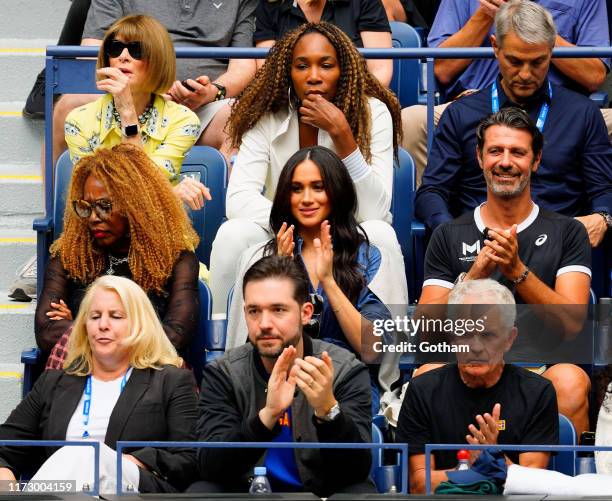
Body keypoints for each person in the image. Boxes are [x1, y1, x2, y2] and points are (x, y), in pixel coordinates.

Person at [210, 22, 408, 317]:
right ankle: (224, 339)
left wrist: (344, 137)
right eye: (302, 66)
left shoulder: (373, 112)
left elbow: (375, 211)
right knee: (233, 233)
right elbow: (238, 198)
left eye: (326, 65)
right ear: (288, 72)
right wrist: (300, 223)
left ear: (343, 70)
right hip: (283, 229)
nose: (314, 76)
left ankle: (392, 344)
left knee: (380, 233)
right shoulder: (265, 114)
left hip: (346, 231)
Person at [418, 108, 592, 437]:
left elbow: (572, 325)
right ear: (479, 157)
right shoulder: (449, 234)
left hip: (538, 373)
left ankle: (566, 487)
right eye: (496, 151)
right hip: (466, 373)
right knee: (425, 373)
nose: (506, 162)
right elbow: (426, 331)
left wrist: (517, 272)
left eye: (518, 152)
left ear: (536, 160)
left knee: (570, 381)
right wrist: (473, 276)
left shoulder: (568, 232)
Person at [414, 0, 612, 249]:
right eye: (515, 62)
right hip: (481, 244)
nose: (526, 74)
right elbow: (432, 191)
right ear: (495, 47)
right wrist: (449, 234)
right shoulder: (461, 114)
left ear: (551, 50)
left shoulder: (582, 114)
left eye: (537, 62)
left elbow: (603, 189)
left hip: (557, 247)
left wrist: (602, 217)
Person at [225, 146, 397, 405]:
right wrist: (279, 276)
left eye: (318, 187)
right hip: (274, 386)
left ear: (336, 192)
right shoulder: (260, 257)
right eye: (296, 188)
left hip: (346, 386)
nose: (306, 198)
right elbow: (251, 348)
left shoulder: (371, 257)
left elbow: (373, 349)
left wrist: (328, 281)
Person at [192, 255, 374, 496]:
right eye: (254, 311)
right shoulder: (224, 373)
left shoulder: (344, 370)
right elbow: (210, 467)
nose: (264, 323)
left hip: (321, 495)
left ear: (306, 313)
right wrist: (267, 417)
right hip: (245, 495)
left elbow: (356, 472)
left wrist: (328, 412)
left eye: (278, 310)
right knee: (201, 490)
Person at [0, 275, 198, 494]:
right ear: (84, 326)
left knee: (87, 454)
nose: (103, 325)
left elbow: (190, 458)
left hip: (136, 494)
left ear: (139, 325)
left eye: (116, 316)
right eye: (95, 317)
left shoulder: (172, 381)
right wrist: (7, 488)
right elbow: (4, 447)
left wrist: (135, 461)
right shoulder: (52, 382)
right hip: (66, 493)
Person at [402, 0, 612, 181]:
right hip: (473, 102)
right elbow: (441, 69)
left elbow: (593, 76)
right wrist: (486, 14)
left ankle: (597, 217)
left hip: (558, 107)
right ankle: (429, 219)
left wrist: (535, 32)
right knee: (411, 120)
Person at [35, 145, 200, 366]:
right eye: (86, 207)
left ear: (136, 207)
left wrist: (79, 325)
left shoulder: (177, 260)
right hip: (83, 376)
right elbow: (46, 333)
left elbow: (175, 336)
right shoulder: (70, 256)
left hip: (147, 378)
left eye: (104, 206)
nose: (93, 217)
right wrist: (138, 330)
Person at [396, 279, 559, 494]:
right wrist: (472, 469)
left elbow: (533, 487)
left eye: (487, 335)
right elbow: (419, 485)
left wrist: (494, 456)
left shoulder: (537, 393)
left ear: (509, 339)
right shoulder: (422, 391)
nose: (475, 347)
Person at [52, 0, 258, 168]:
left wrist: (213, 91)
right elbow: (91, 54)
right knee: (66, 107)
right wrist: (149, 87)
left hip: (203, 104)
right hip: (129, 94)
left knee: (237, 118)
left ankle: (223, 216)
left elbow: (243, 64)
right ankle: (59, 214)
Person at [64, 14, 210, 210]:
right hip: (101, 231)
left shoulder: (183, 121)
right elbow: (96, 199)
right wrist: (173, 194)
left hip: (158, 232)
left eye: (136, 50)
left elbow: (144, 187)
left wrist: (128, 114)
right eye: (115, 48)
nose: (123, 57)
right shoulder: (79, 120)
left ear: (158, 59)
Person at [253, 0, 393, 86]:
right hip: (290, 106)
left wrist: (345, 103)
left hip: (357, 103)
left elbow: (380, 72)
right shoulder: (269, 5)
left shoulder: (364, 2)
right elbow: (268, 75)